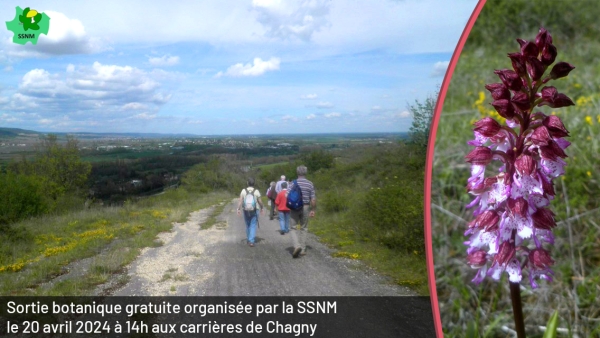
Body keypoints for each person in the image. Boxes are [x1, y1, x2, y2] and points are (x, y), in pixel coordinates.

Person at [288, 165, 316, 258]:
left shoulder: (292, 183)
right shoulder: (310, 184)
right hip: (305, 207)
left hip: (294, 208)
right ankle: (303, 249)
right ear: (305, 173)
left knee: (292, 228)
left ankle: (297, 246)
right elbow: (313, 199)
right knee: (304, 228)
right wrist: (313, 209)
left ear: (297, 173)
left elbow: (286, 196)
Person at [236, 178, 264, 247]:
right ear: (254, 183)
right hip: (255, 210)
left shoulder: (243, 191)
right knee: (253, 224)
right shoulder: (256, 191)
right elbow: (260, 201)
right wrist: (262, 208)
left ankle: (249, 239)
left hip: (246, 210)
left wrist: (238, 209)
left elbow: (240, 201)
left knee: (247, 224)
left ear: (247, 183)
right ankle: (251, 241)